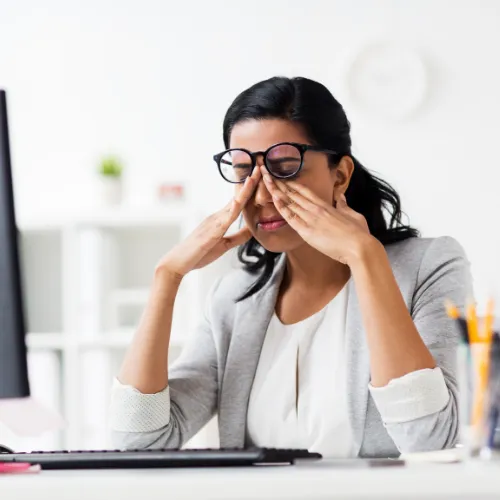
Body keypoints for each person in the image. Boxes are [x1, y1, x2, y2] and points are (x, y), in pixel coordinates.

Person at [109, 76, 471, 458]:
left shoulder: (428, 267)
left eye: (285, 168)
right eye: (244, 173)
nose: (261, 196)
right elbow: (139, 443)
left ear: (340, 175)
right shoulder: (233, 300)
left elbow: (428, 439)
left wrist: (366, 258)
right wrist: (167, 277)